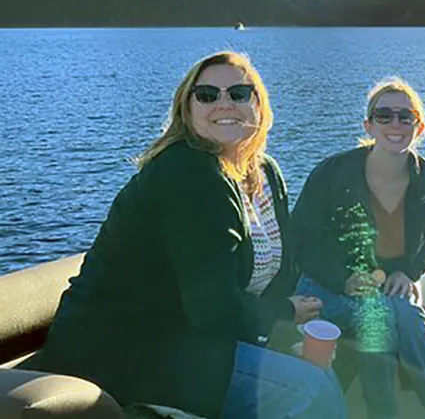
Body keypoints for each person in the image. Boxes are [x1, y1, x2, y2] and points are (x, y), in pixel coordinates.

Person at [36, 51, 345, 419]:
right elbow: (210, 306)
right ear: (187, 109)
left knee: (318, 375)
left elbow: (279, 270)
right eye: (208, 95)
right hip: (131, 347)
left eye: (239, 93)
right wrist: (283, 314)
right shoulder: (188, 173)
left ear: (259, 105)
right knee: (312, 391)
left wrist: (279, 335)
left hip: (200, 337)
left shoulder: (264, 174)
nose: (224, 103)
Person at [292, 78, 425, 419]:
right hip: (325, 284)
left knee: (405, 313)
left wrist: (410, 272)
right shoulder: (332, 174)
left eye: (405, 116)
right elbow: (299, 238)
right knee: (380, 316)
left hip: (385, 284)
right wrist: (343, 279)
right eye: (384, 115)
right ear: (369, 125)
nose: (395, 124)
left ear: (418, 126)